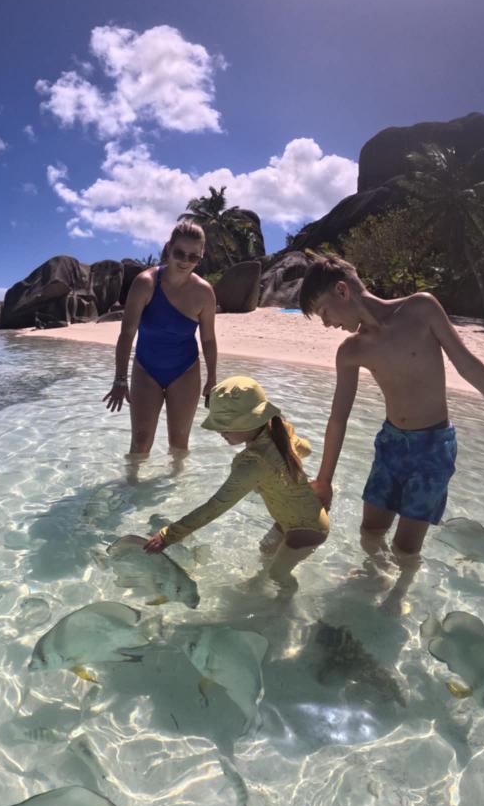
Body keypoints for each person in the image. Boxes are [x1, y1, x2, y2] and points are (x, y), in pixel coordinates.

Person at [299, 253, 484, 558]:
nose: (326, 324)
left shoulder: (420, 309)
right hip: (390, 445)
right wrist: (324, 480)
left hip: (433, 448)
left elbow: (466, 363)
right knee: (370, 532)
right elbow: (338, 418)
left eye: (324, 312)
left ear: (342, 290)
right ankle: (373, 578)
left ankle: (401, 585)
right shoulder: (351, 351)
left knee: (405, 548)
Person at [144, 376, 329, 587]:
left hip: (309, 530)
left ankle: (286, 600)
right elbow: (307, 449)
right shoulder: (280, 430)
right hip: (293, 518)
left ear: (250, 422)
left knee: (277, 575)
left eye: (225, 426)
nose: (219, 432)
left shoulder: (253, 464)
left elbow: (215, 506)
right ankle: (258, 585)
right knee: (266, 549)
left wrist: (168, 535)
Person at [102, 221, 217, 461]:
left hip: (185, 371)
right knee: (140, 442)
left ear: (201, 256)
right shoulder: (145, 283)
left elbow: (207, 339)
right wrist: (120, 379)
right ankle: (132, 483)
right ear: (168, 248)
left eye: (193, 257)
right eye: (179, 253)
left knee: (179, 443)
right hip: (146, 369)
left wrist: (212, 379)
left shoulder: (204, 293)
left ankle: (178, 484)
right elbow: (127, 334)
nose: (185, 261)